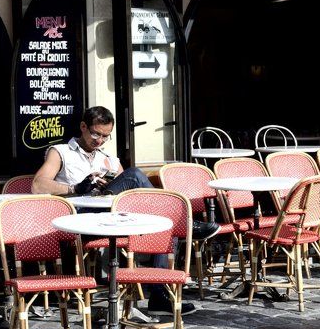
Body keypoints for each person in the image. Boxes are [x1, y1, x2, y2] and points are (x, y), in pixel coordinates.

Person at [33, 106, 220, 314]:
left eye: (105, 136)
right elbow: (38, 186)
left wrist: (109, 185)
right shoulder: (61, 152)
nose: (100, 141)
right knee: (134, 175)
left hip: (110, 218)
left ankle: (159, 297)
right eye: (96, 134)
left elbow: (129, 197)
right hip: (78, 219)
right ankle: (183, 222)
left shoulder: (108, 157)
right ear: (83, 127)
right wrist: (75, 188)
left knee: (165, 227)